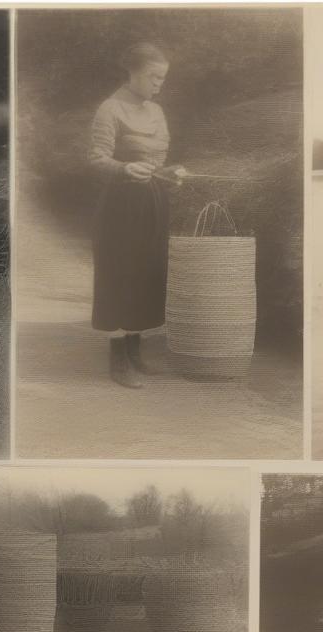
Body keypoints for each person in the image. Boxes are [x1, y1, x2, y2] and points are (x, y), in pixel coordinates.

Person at [89, 42, 181, 389]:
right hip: (120, 205)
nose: (159, 84)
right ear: (134, 73)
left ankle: (135, 353)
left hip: (154, 202)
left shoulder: (156, 112)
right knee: (120, 273)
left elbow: (158, 162)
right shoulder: (110, 109)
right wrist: (126, 168)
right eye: (154, 76)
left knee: (146, 273)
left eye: (163, 78)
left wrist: (171, 173)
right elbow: (97, 158)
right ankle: (117, 361)